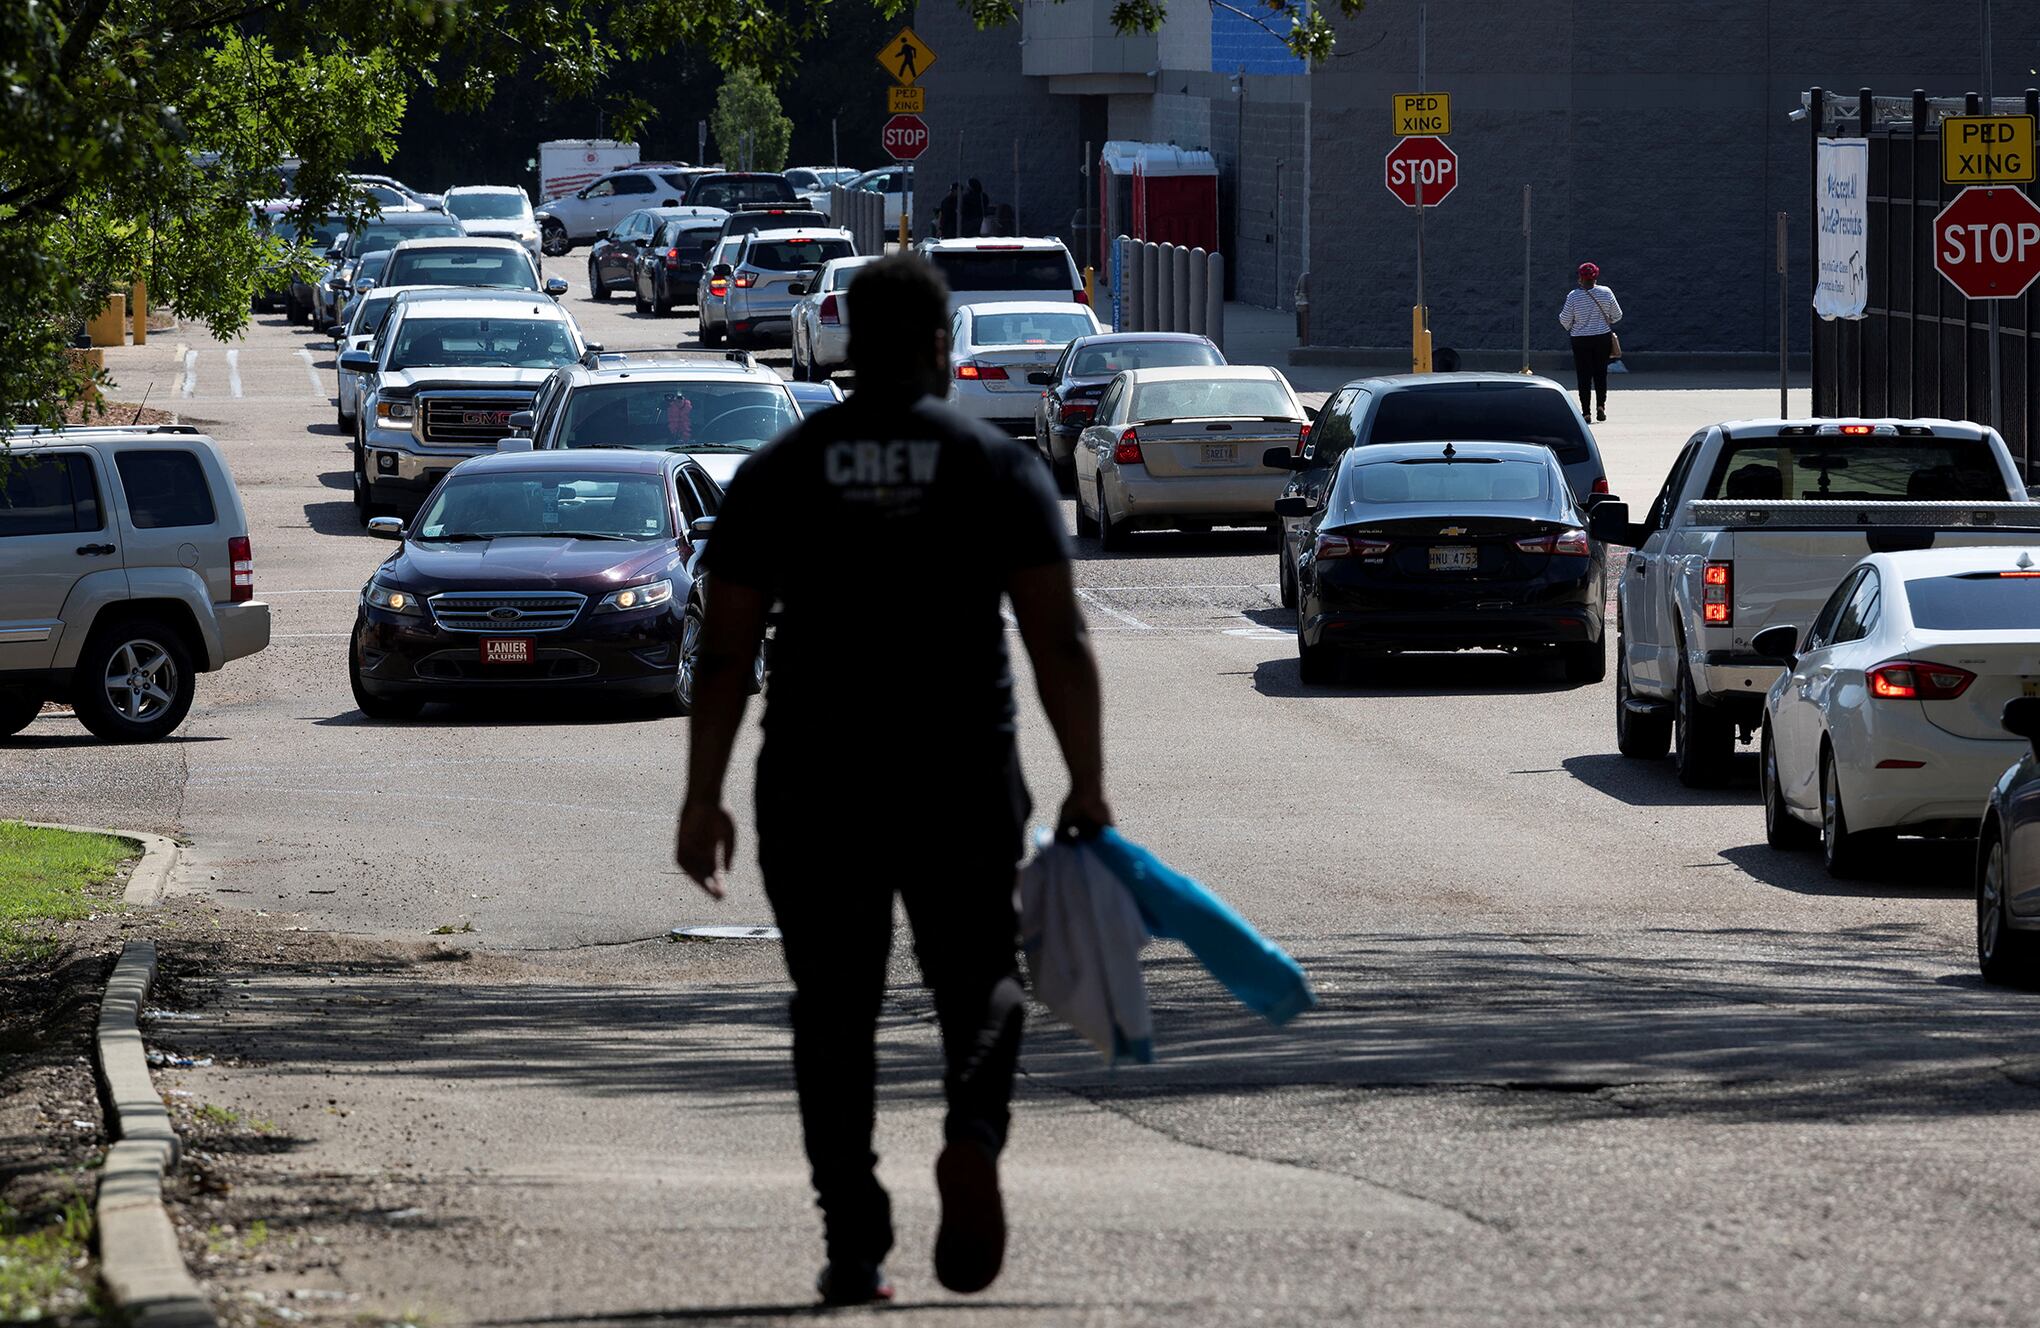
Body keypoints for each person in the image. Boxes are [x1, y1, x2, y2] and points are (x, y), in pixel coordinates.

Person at [673, 254, 1111, 1307]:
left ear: (845, 345)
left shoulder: (781, 468)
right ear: (937, 349)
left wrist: (703, 794)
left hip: (818, 776)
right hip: (961, 771)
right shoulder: (992, 466)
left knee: (832, 1009)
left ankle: (854, 1237)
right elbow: (1058, 636)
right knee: (981, 982)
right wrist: (1086, 784)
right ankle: (970, 1128)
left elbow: (727, 649)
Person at [1559, 261, 1622, 422]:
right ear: (1596, 276)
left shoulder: (1573, 296)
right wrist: (1607, 320)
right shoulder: (1606, 292)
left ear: (1580, 277)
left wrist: (1575, 325)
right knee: (1601, 373)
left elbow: (1564, 320)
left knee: (1583, 375)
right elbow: (1617, 315)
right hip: (1602, 338)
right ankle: (1601, 406)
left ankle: (1586, 412)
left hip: (1580, 340)